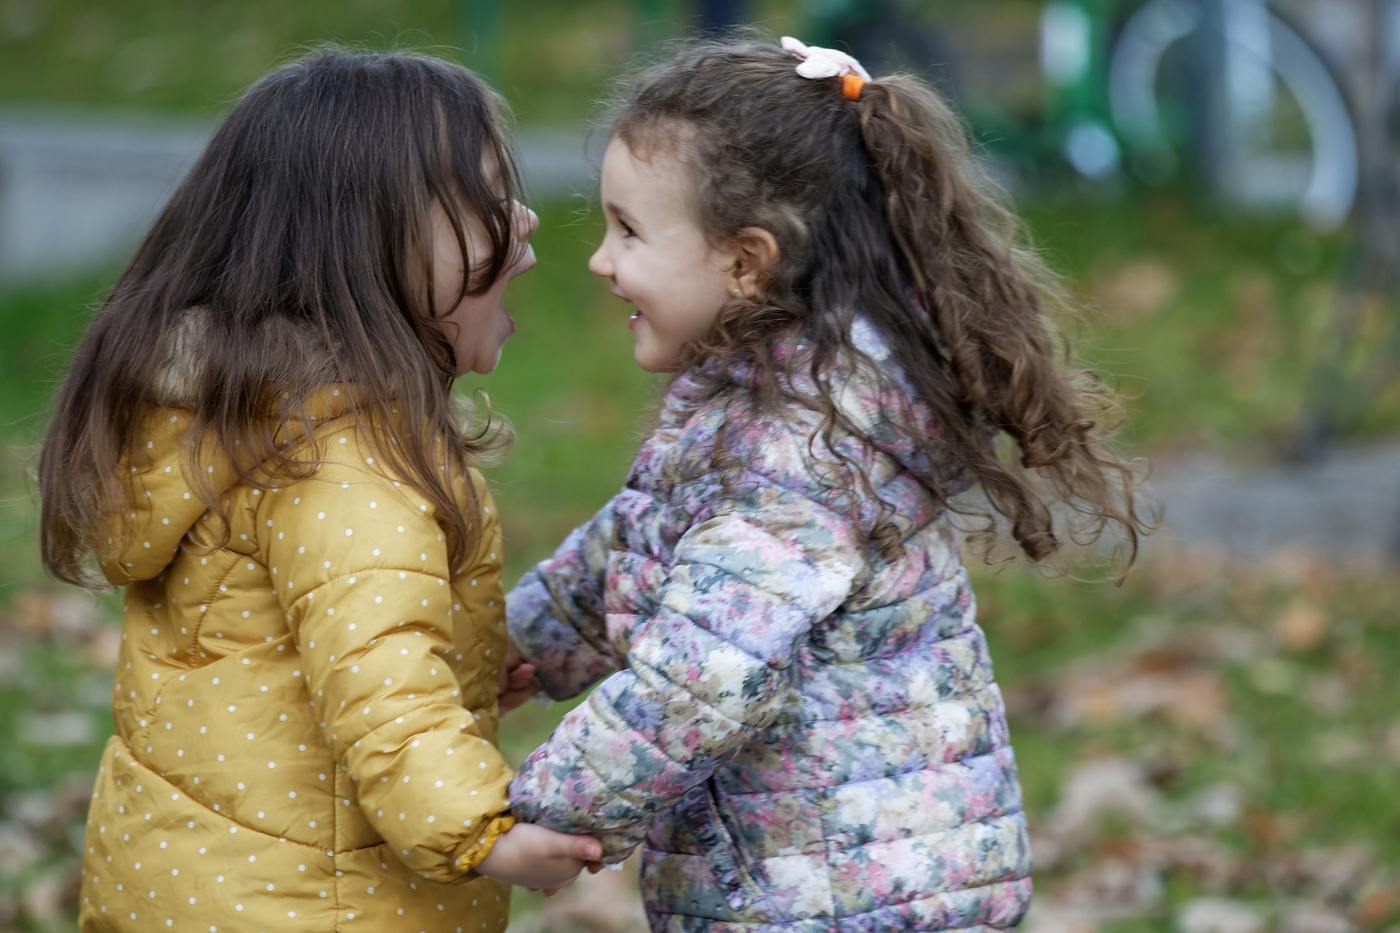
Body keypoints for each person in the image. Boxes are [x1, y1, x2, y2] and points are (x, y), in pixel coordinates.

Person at [501, 35, 1151, 929]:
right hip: (856, 876)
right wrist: (522, 643)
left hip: (828, 899)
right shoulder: (783, 395)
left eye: (631, 231)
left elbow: (700, 678)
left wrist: (540, 815)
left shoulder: (796, 451)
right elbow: (647, 539)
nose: (601, 261)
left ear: (746, 261)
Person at [38, 48, 600, 931]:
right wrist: (486, 832)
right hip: (324, 904)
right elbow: (387, 699)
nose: (525, 224)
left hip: (181, 882)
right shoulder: (341, 464)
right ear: (373, 244)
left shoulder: (227, 420)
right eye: (490, 198)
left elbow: (305, 640)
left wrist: (467, 654)